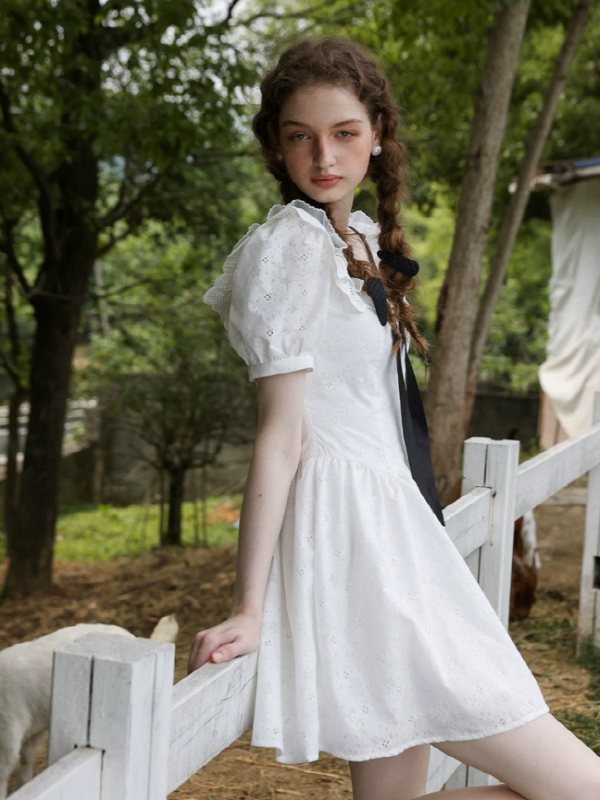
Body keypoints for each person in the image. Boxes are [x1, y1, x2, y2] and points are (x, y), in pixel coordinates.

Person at [189, 37, 600, 800]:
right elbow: (281, 437)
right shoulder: (285, 249)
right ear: (277, 150)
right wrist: (250, 607)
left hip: (398, 535)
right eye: (299, 136)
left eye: (343, 133)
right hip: (358, 543)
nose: (324, 156)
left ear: (377, 133)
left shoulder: (359, 243)